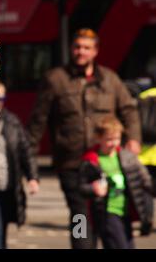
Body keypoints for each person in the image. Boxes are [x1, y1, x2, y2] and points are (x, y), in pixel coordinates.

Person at [26, 28, 141, 249]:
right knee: (80, 215)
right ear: (71, 49)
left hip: (106, 161)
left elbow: (129, 110)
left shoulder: (110, 79)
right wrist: (30, 167)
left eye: (87, 48)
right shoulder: (55, 79)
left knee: (109, 215)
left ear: (96, 51)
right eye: (77, 47)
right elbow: (37, 122)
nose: (81, 52)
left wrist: (133, 138)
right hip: (72, 163)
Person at [79, 116, 153, 249]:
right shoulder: (91, 160)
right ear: (98, 138)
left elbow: (145, 180)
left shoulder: (126, 157)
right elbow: (81, 188)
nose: (113, 143)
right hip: (107, 212)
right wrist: (93, 189)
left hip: (125, 211)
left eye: (117, 139)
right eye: (109, 139)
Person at [0, 81, 40, 249]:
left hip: (9, 185)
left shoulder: (12, 122)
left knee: (3, 229)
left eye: (2, 98)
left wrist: (32, 177)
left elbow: (25, 150)